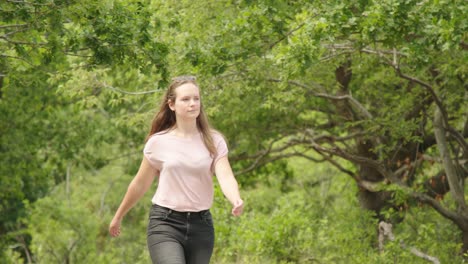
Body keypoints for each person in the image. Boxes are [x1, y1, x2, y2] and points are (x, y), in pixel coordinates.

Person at [109, 75, 244, 264]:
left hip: (201, 225)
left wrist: (235, 198)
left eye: (196, 99)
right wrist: (118, 216)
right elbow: (139, 184)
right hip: (165, 223)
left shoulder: (213, 141)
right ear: (172, 104)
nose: (193, 103)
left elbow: (226, 176)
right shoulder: (158, 142)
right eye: (186, 99)